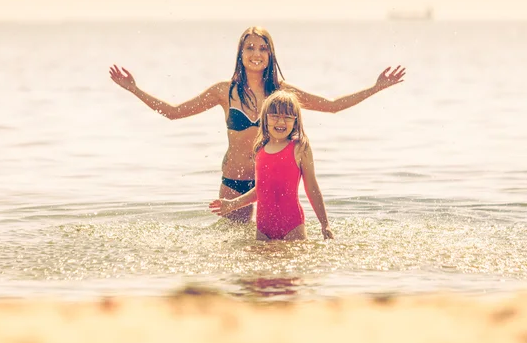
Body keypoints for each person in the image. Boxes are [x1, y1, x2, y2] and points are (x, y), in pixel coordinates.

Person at [109, 26, 405, 222]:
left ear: (270, 54)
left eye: (263, 48)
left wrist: (376, 88)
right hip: (234, 182)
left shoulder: (282, 93)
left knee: (270, 244)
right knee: (231, 246)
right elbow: (173, 112)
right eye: (250, 47)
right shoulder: (223, 91)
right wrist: (134, 90)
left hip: (272, 182)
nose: (256, 53)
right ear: (241, 54)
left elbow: (331, 107)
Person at [209, 91, 333, 241]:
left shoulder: (299, 147)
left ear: (296, 121)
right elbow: (261, 188)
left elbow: (311, 187)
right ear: (265, 118)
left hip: (292, 226)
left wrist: (324, 224)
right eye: (275, 116)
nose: (281, 122)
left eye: (287, 117)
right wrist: (232, 204)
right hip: (263, 228)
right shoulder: (260, 148)